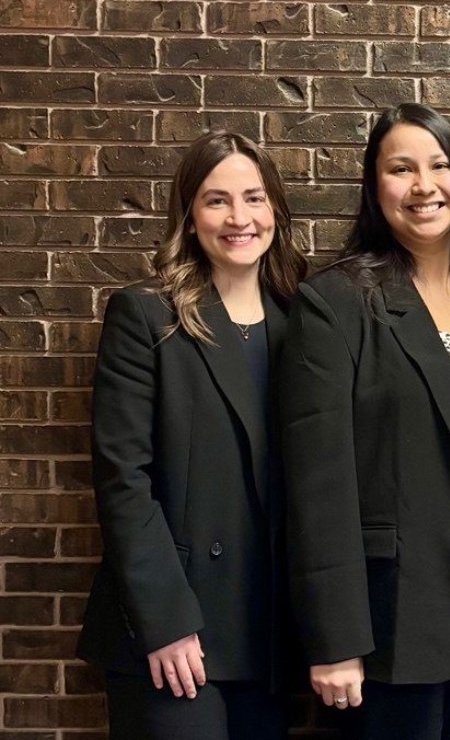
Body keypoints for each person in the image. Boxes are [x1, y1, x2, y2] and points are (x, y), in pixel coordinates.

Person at [279, 102, 450, 740]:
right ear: (375, 189)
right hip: (390, 618)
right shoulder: (339, 302)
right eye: (400, 169)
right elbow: (317, 487)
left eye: (438, 165)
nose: (423, 185)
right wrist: (335, 640)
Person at [77, 131, 308, 739]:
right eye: (216, 201)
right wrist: (166, 621)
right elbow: (122, 479)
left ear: (275, 212)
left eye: (254, 199)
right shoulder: (147, 315)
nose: (239, 219)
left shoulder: (304, 323)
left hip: (269, 629)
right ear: (189, 214)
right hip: (176, 627)